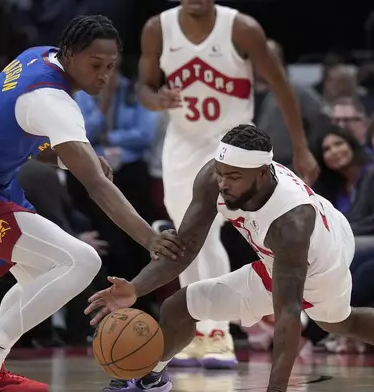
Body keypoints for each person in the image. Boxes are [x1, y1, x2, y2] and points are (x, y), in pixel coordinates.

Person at [87, 124, 374, 392]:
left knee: (336, 320)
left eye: (233, 178)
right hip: (283, 249)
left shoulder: (290, 224)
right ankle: (146, 377)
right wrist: (136, 289)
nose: (223, 184)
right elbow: (185, 249)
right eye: (220, 173)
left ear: (263, 175)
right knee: (181, 305)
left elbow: (287, 316)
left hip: (321, 255)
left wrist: (276, 389)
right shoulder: (214, 176)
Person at [0, 15, 184, 392]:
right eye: (95, 65)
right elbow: (96, 185)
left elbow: (23, 134)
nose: (103, 76)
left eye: (110, 67)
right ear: (70, 54)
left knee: (39, 279)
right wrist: (150, 240)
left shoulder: (39, 56)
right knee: (82, 260)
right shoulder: (52, 100)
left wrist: (72, 156)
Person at [137, 0, 319, 367]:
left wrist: (300, 146)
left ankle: (217, 331)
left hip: (232, 143)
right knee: (184, 239)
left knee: (208, 234)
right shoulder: (158, 28)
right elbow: (144, 86)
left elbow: (281, 85)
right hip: (182, 144)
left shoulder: (242, 28)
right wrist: (157, 100)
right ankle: (196, 332)